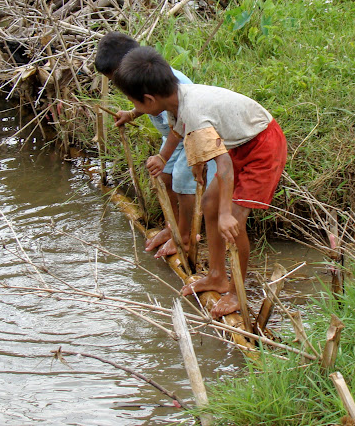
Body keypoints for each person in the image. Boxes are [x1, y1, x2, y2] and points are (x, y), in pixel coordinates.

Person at [112, 46, 287, 319]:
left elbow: (225, 165)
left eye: (135, 104)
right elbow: (176, 129)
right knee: (208, 202)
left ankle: (237, 294)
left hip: (261, 147)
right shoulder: (177, 100)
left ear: (148, 99)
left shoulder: (192, 111)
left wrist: (227, 213)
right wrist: (163, 157)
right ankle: (217, 276)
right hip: (238, 143)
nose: (135, 109)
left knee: (233, 222)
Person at [94, 32, 215, 258]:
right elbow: (147, 103)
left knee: (181, 180)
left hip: (191, 135)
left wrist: (163, 157)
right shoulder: (142, 82)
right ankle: (173, 226)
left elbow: (182, 122)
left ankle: (186, 235)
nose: (117, 85)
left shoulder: (171, 81)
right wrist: (131, 114)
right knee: (163, 179)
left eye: (115, 79)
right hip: (172, 139)